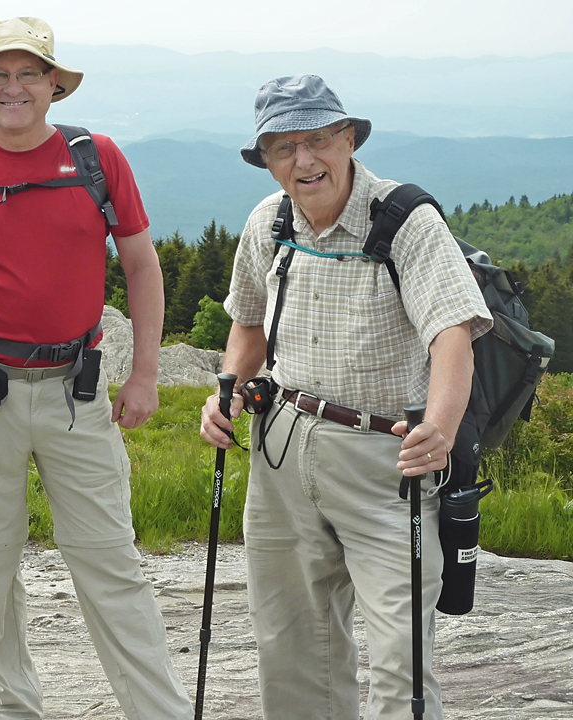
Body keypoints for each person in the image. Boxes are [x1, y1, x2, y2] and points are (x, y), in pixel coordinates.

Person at [0, 17, 192, 720]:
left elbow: (142, 265)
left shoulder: (97, 158)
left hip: (76, 390)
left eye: (28, 73)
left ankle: (160, 713)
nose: (13, 88)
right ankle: (12, 708)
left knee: (109, 563)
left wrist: (144, 372)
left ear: (55, 84)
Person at [199, 75, 493, 719]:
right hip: (280, 447)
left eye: (319, 140)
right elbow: (248, 323)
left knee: (400, 655)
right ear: (267, 161)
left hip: (389, 457)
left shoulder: (405, 219)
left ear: (350, 138)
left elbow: (451, 334)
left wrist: (440, 428)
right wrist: (225, 392)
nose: (304, 161)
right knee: (291, 642)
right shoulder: (269, 221)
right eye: (283, 148)